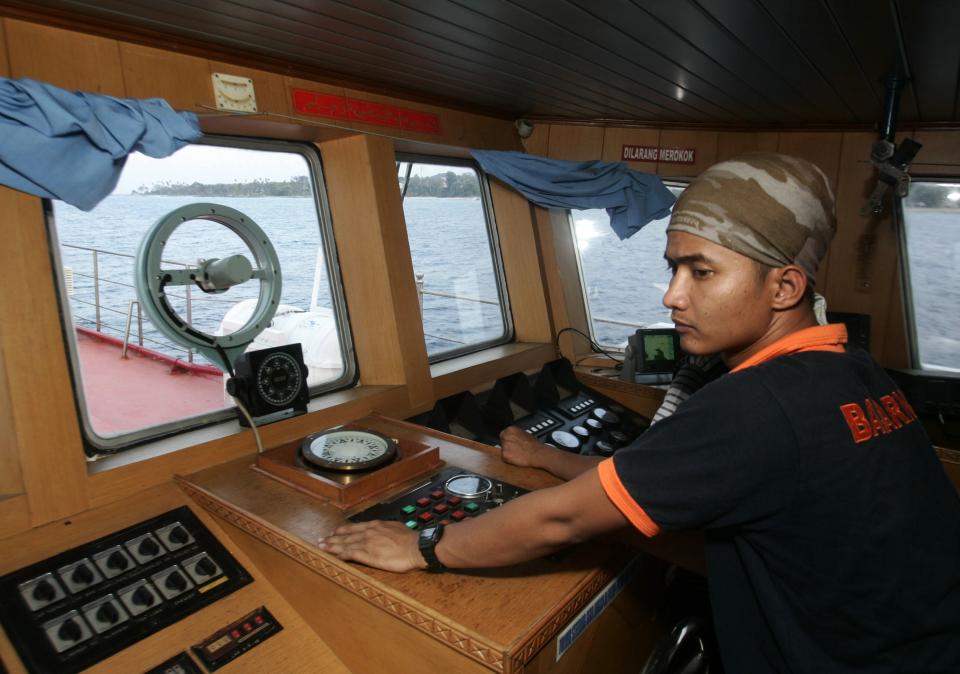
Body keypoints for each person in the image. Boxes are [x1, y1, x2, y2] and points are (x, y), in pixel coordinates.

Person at [320, 153, 960, 672]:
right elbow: (759, 538)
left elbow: (563, 516)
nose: (672, 295)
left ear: (785, 287)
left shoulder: (756, 403)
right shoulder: (854, 371)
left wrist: (425, 546)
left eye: (701, 272)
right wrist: (557, 466)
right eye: (673, 267)